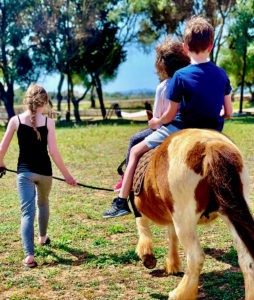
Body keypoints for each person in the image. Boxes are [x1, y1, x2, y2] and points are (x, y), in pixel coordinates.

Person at [103, 15, 233, 218]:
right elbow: (229, 112)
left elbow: (169, 115)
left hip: (181, 129)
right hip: (213, 131)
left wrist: (155, 121)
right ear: (212, 44)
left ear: (185, 47)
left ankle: (121, 201)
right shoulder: (222, 74)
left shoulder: (180, 77)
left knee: (136, 150)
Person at [0, 84, 77, 268]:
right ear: (45, 103)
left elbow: (1, 149)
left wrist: (1, 163)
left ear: (27, 100)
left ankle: (29, 257)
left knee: (27, 213)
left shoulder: (15, 120)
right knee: (43, 203)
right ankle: (42, 238)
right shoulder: (49, 122)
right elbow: (54, 152)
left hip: (24, 173)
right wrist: (68, 176)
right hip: (45, 173)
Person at [113, 36, 190, 192]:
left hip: (166, 127)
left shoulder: (163, 86)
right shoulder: (188, 81)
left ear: (162, 66)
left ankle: (126, 178)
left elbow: (156, 117)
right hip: (187, 126)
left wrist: (154, 121)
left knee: (135, 140)